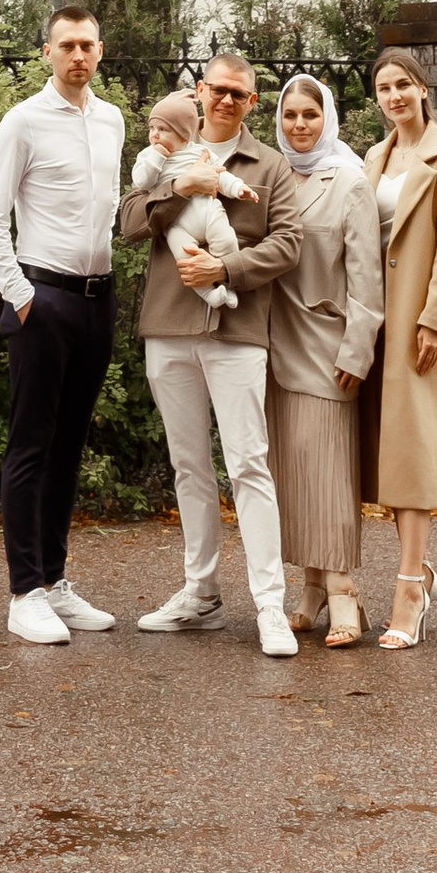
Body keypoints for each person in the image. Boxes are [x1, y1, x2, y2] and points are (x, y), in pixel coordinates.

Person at [119, 50, 304, 657]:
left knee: (249, 465)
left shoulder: (269, 166)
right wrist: (182, 188)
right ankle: (200, 595)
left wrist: (226, 268)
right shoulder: (168, 146)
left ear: (252, 102)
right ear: (199, 91)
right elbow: (129, 221)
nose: (226, 100)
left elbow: (289, 244)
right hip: (169, 329)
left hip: (237, 332)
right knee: (189, 466)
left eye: (238, 94)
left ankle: (270, 605)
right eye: (218, 89)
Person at [0, 0, 127, 647]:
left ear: (100, 51)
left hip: (98, 300)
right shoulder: (23, 122)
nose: (78, 55)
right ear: (47, 53)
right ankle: (24, 592)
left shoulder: (112, 120)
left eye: (87, 45)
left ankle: (55, 580)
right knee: (30, 447)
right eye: (67, 46)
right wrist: (22, 297)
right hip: (44, 301)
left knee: (69, 447)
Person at [362, 46, 437, 649]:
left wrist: (433, 321)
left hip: (420, 319)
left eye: (403, 84)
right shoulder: (373, 157)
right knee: (386, 456)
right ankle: (423, 575)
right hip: (375, 319)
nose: (395, 96)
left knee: (411, 452)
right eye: (384, 88)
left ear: (423, 88)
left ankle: (409, 588)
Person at [262, 73, 382, 647]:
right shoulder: (272, 174)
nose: (299, 125)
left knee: (329, 472)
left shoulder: (349, 180)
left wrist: (358, 349)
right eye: (290, 115)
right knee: (295, 474)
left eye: (310, 114)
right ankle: (310, 590)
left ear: (327, 118)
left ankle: (343, 591)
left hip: (328, 345)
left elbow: (366, 274)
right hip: (272, 343)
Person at [129, 91, 245, 329]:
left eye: (163, 129)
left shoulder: (198, 153)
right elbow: (142, 183)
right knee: (185, 259)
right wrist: (157, 158)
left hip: (207, 210)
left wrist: (238, 188)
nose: (155, 134)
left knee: (227, 240)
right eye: (152, 128)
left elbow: (220, 175)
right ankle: (210, 294)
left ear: (183, 135)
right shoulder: (148, 156)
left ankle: (228, 285)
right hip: (177, 224)